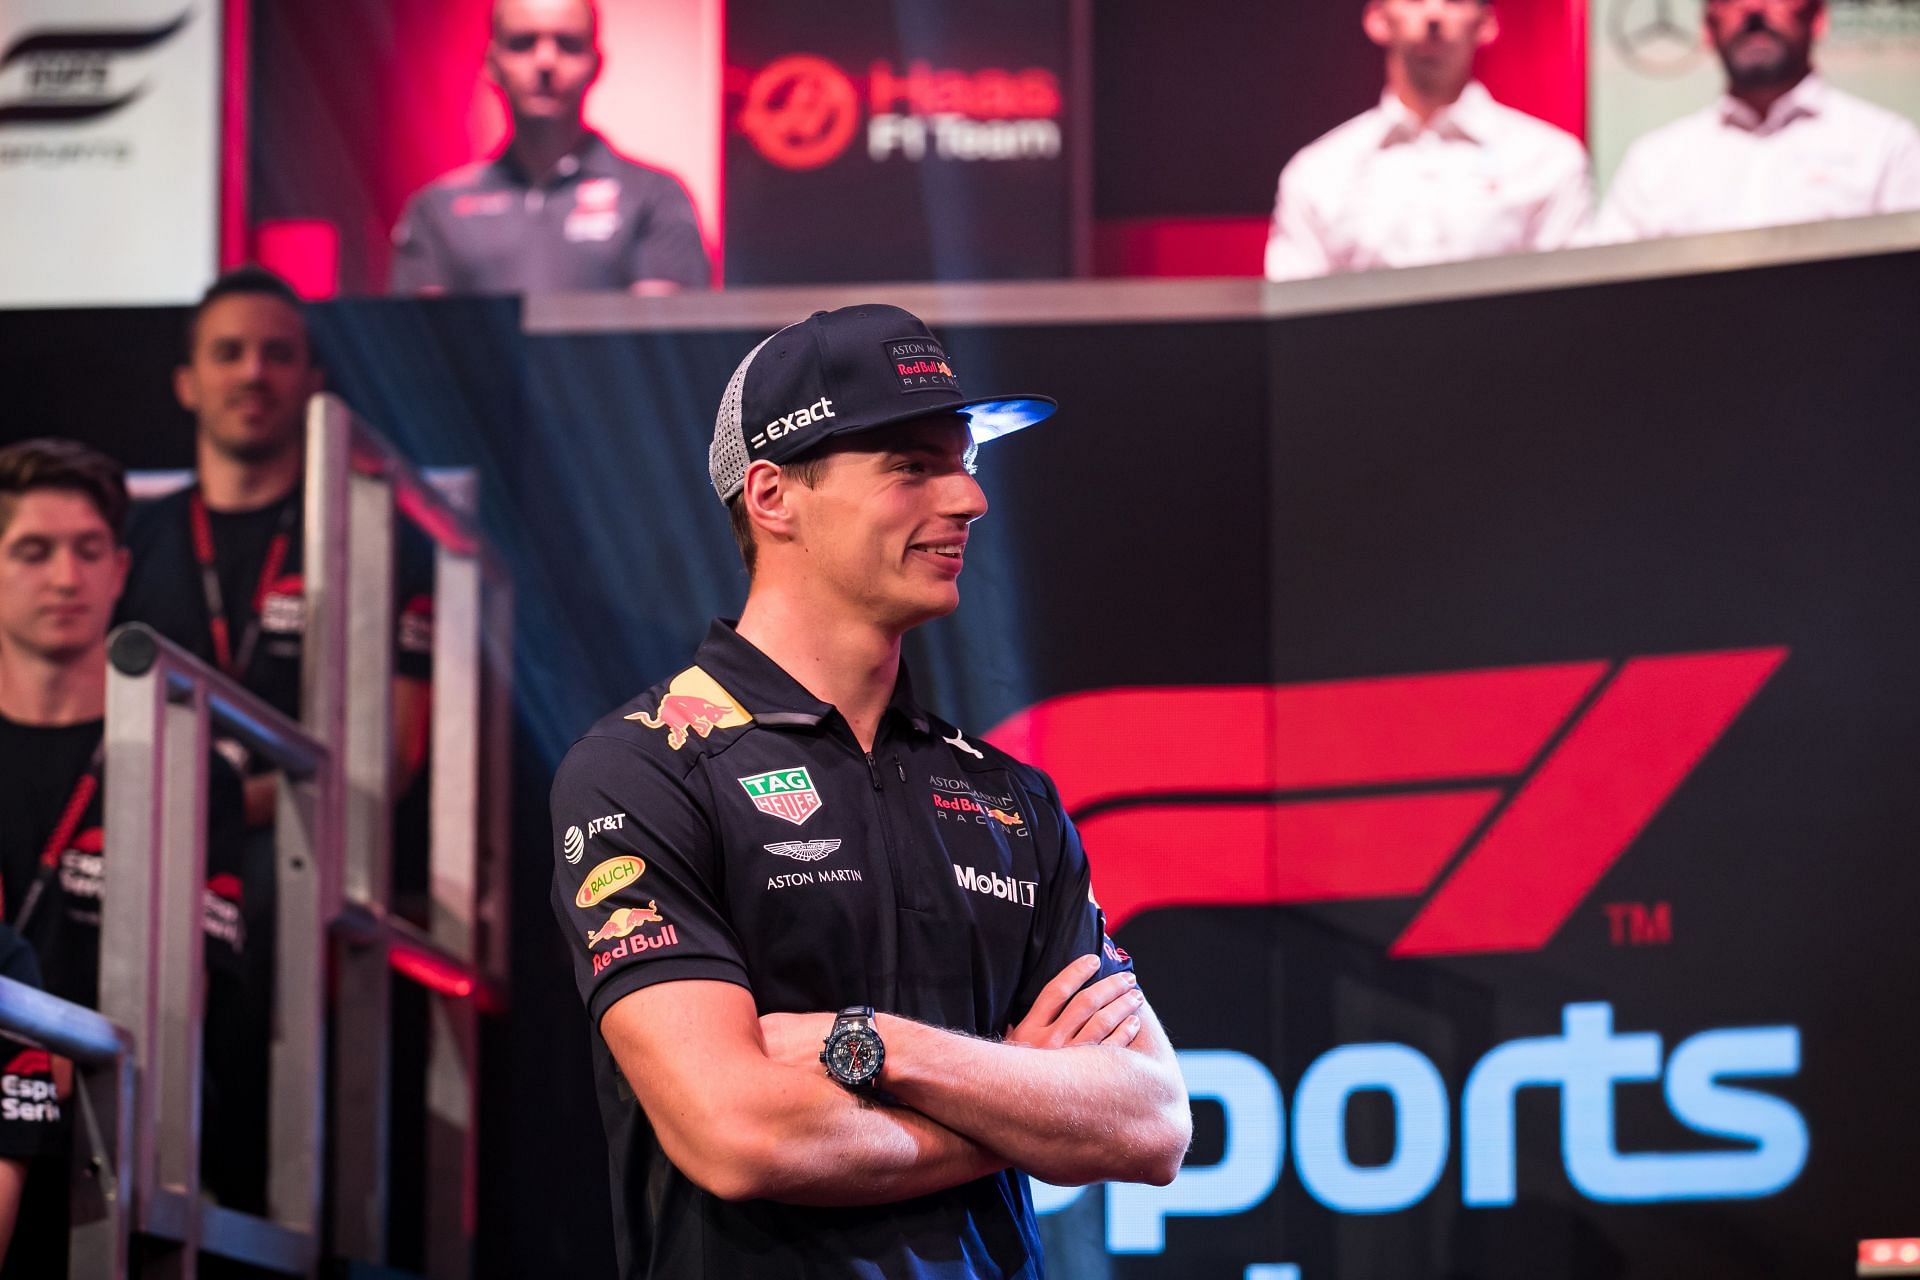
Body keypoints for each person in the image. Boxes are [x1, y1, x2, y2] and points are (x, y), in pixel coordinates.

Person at [550, 304, 1191, 1278]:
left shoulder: (1011, 799)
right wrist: (1024, 1101)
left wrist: (874, 1044)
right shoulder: (641, 769)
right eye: (913, 465)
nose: (969, 496)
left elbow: (1150, 1121)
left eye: (965, 459)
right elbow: (738, 1133)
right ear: (773, 495)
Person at [0, 439, 260, 1270]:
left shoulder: (190, 767)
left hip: (118, 1135)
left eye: (86, 552)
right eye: (33, 552)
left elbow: (186, 1000)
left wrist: (62, 1070)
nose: (66, 579)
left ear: (120, 570)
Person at [114, 266, 434, 832]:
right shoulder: (129, 540)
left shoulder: (374, 539)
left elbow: (393, 760)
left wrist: (215, 812)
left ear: (314, 382)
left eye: (278, 354)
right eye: (229, 352)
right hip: (144, 834)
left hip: (314, 849)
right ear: (186, 383)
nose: (254, 373)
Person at [389, 0, 711, 296]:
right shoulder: (436, 211)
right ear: (491, 63)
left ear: (596, 64)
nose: (545, 61)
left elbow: (662, 344)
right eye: (523, 43)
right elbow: (422, 349)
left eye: (568, 44)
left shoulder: (655, 197)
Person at [1264, 0, 1591, 281]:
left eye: (1455, 0)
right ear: (1378, 18)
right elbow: (1295, 312)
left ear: (1487, 23)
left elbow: (1568, 305)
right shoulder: (1318, 171)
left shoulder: (1549, 159)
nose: (1434, 14)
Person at [1591, 0, 1920, 242]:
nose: (1753, 8)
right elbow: (1608, 292)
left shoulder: (1888, 145)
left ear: (1818, 18)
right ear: (1707, 29)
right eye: (1730, 0)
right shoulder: (1654, 160)